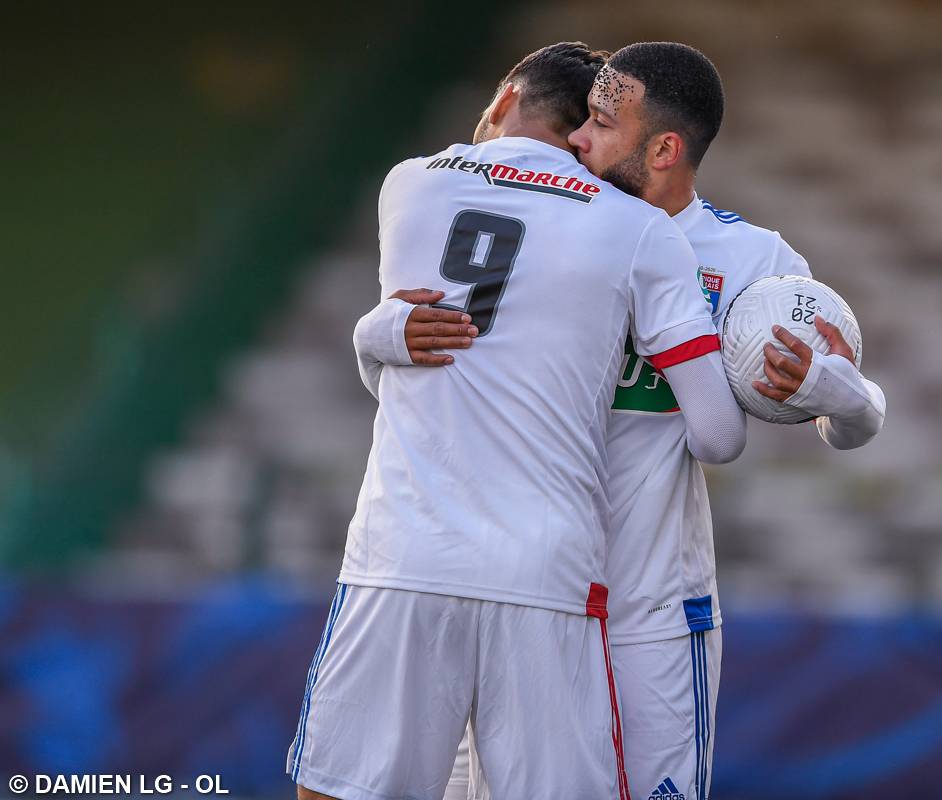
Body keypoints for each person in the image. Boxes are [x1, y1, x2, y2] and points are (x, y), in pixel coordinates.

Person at [366, 42, 886, 800]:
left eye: (602, 125)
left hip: (650, 613)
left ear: (665, 149)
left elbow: (852, 421)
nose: (578, 138)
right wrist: (375, 333)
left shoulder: (753, 262)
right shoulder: (541, 228)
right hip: (520, 595)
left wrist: (842, 396)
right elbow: (435, 376)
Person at [288, 41, 747, 800]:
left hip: (405, 553)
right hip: (547, 573)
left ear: (504, 99)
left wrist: (373, 335)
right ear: (582, 137)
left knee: (342, 789)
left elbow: (419, 354)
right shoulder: (637, 230)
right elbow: (718, 435)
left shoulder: (409, 186)